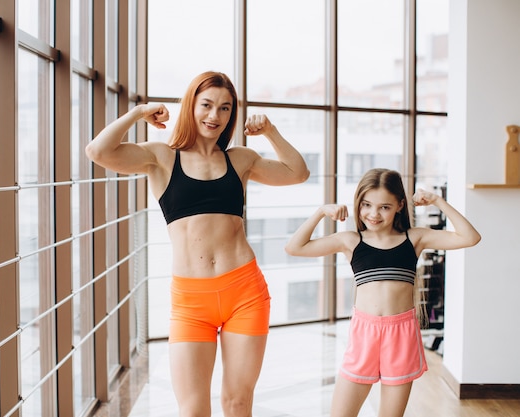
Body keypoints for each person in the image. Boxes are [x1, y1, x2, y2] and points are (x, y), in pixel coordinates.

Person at [85, 71, 309, 417]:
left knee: (237, 403)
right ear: (191, 106)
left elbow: (298, 173)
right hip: (191, 302)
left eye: (224, 108)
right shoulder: (161, 157)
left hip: (244, 293)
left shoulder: (241, 160)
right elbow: (98, 151)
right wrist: (138, 113)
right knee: (193, 410)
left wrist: (270, 132)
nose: (214, 116)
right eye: (206, 105)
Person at [284, 168, 481, 417]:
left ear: (400, 205)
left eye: (384, 207)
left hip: (401, 335)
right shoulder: (351, 240)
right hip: (364, 334)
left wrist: (438, 201)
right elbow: (294, 247)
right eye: (367, 204)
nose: (373, 214)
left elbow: (470, 237)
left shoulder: (415, 238)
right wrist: (321, 212)